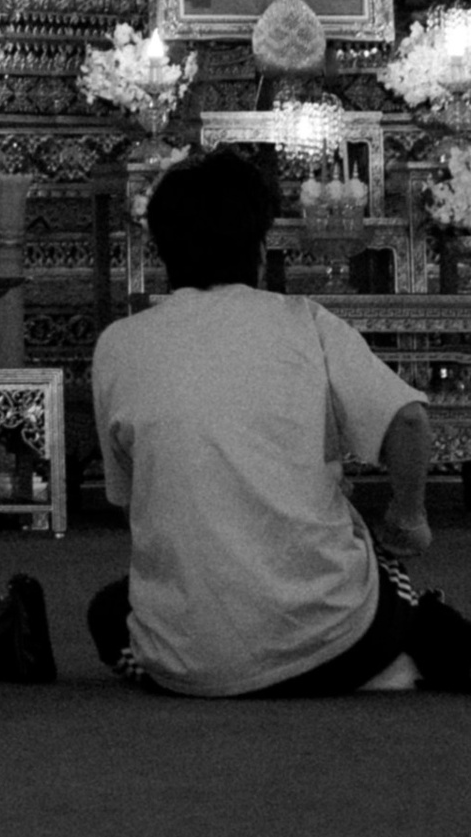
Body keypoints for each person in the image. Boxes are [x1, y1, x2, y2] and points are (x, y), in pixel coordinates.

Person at [88, 148, 471, 697]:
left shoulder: (117, 346)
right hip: (331, 637)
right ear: (260, 247)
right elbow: (408, 422)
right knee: (393, 582)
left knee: (109, 613)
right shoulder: (305, 323)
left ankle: (247, 661)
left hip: (188, 666)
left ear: (161, 248)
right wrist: (408, 518)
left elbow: (129, 498)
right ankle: (393, 665)